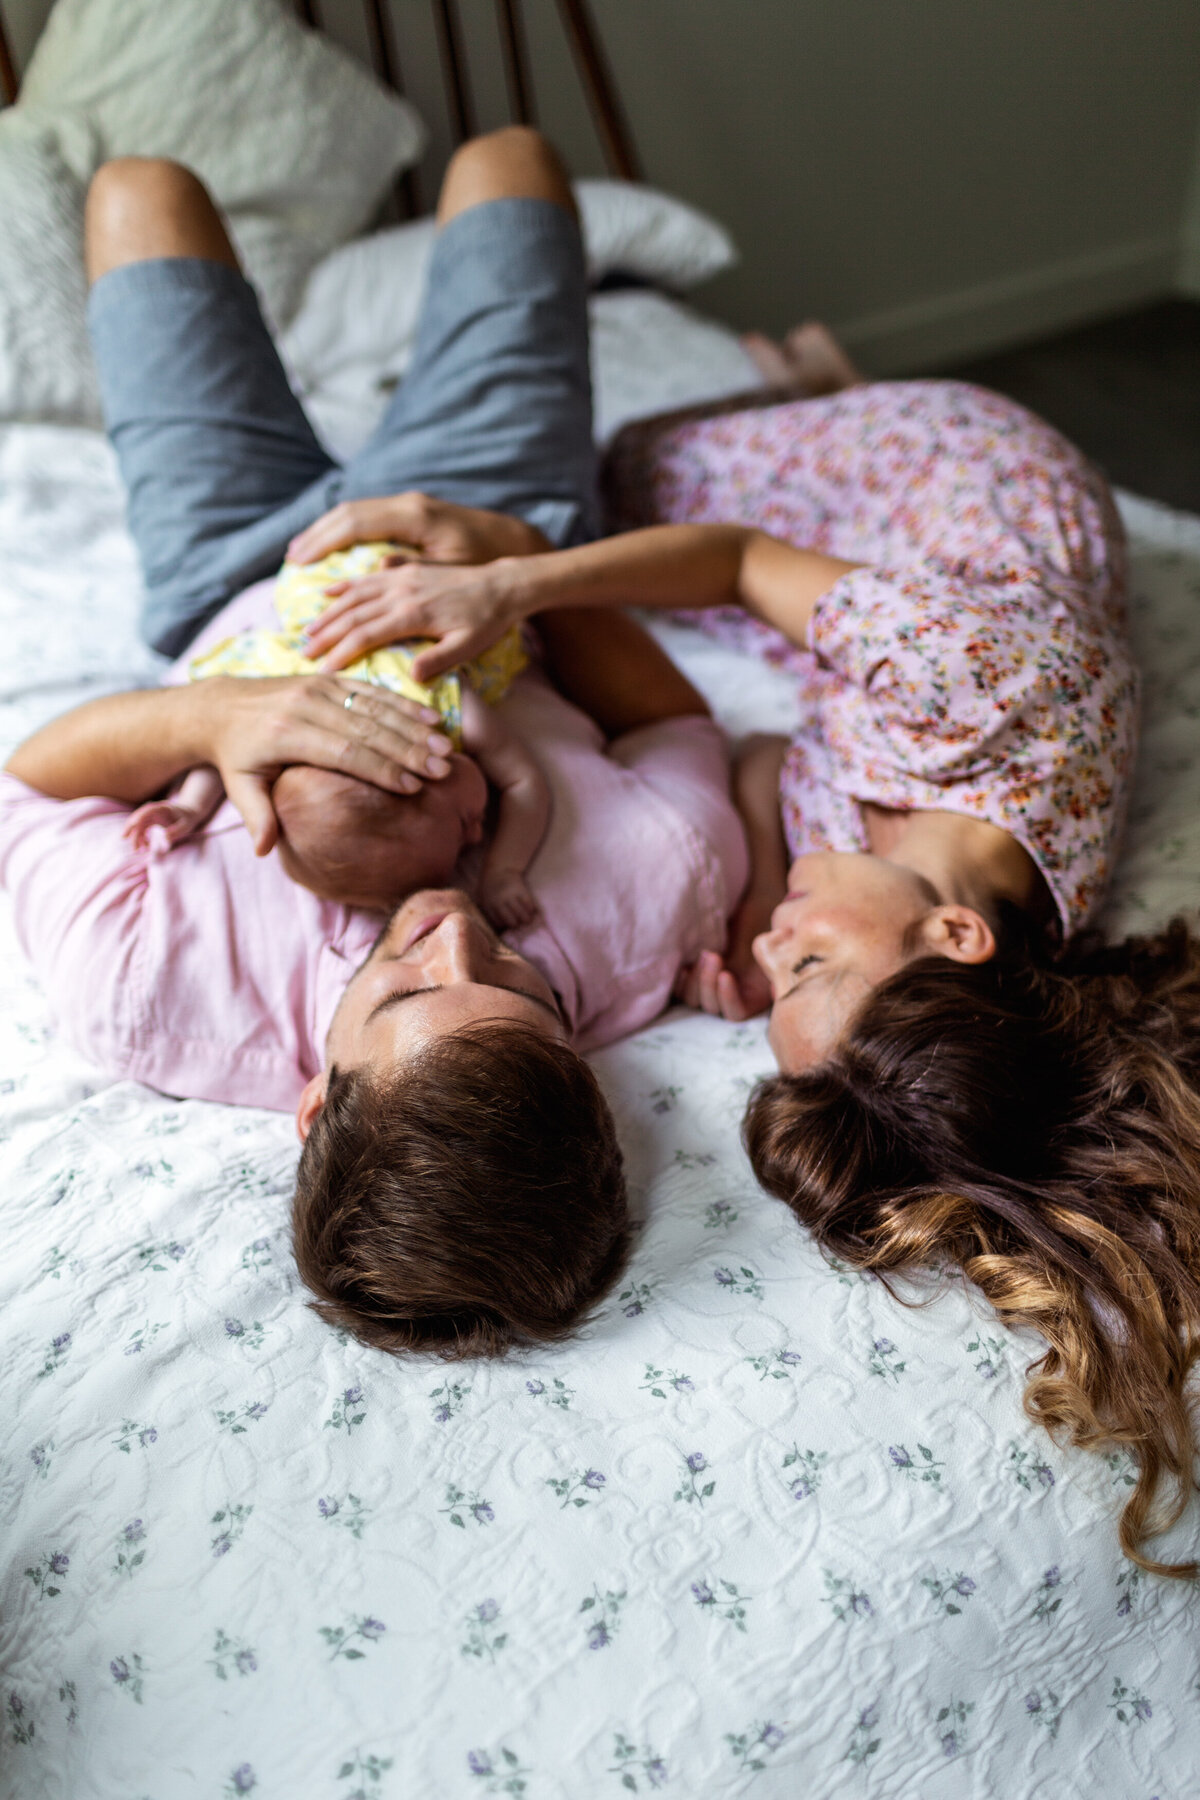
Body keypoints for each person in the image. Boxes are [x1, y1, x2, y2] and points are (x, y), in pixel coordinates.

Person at [291, 355, 1200, 1576]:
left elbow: (777, 758)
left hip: (866, 632)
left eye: (778, 979)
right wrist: (512, 576)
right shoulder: (991, 683)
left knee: (600, 533)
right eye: (807, 954)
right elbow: (725, 560)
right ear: (955, 937)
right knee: (623, 474)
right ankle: (824, 381)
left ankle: (790, 383)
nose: (775, 938)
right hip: (954, 479)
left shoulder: (950, 961)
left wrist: (757, 905)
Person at [0, 130, 748, 1361]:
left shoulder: (148, 988)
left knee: (141, 191)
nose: (457, 931)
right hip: (478, 543)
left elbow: (28, 779)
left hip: (234, 569)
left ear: (314, 1103)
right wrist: (514, 561)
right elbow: (674, 719)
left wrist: (215, 718)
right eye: (516, 991)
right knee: (509, 158)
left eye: (406, 989)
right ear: (588, 1081)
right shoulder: (646, 910)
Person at [126, 542, 549, 927]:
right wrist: (190, 807)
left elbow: (524, 782)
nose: (478, 835)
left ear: (409, 767)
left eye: (463, 824)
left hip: (409, 555)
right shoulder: (290, 729)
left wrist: (504, 868)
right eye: (470, 841)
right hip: (297, 559)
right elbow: (227, 751)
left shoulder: (440, 704)